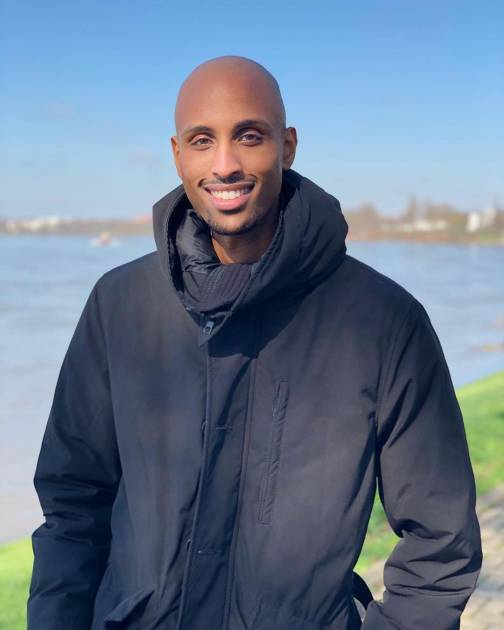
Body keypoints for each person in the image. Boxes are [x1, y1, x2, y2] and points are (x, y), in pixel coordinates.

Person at [28, 56, 482, 630]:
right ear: (177, 154)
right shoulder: (119, 304)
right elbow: (73, 506)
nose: (225, 165)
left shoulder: (384, 321)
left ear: (286, 147)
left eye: (249, 136)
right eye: (202, 140)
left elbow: (441, 543)